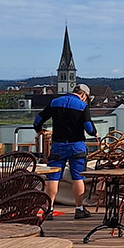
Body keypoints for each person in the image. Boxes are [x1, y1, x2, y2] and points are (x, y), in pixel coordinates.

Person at [34, 83, 96, 219]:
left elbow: (38, 119)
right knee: (78, 177)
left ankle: (49, 209)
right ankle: (79, 209)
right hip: (76, 146)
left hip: (58, 146)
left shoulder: (55, 102)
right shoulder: (82, 106)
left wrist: (39, 130)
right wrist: (95, 133)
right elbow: (89, 128)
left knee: (53, 177)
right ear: (83, 95)